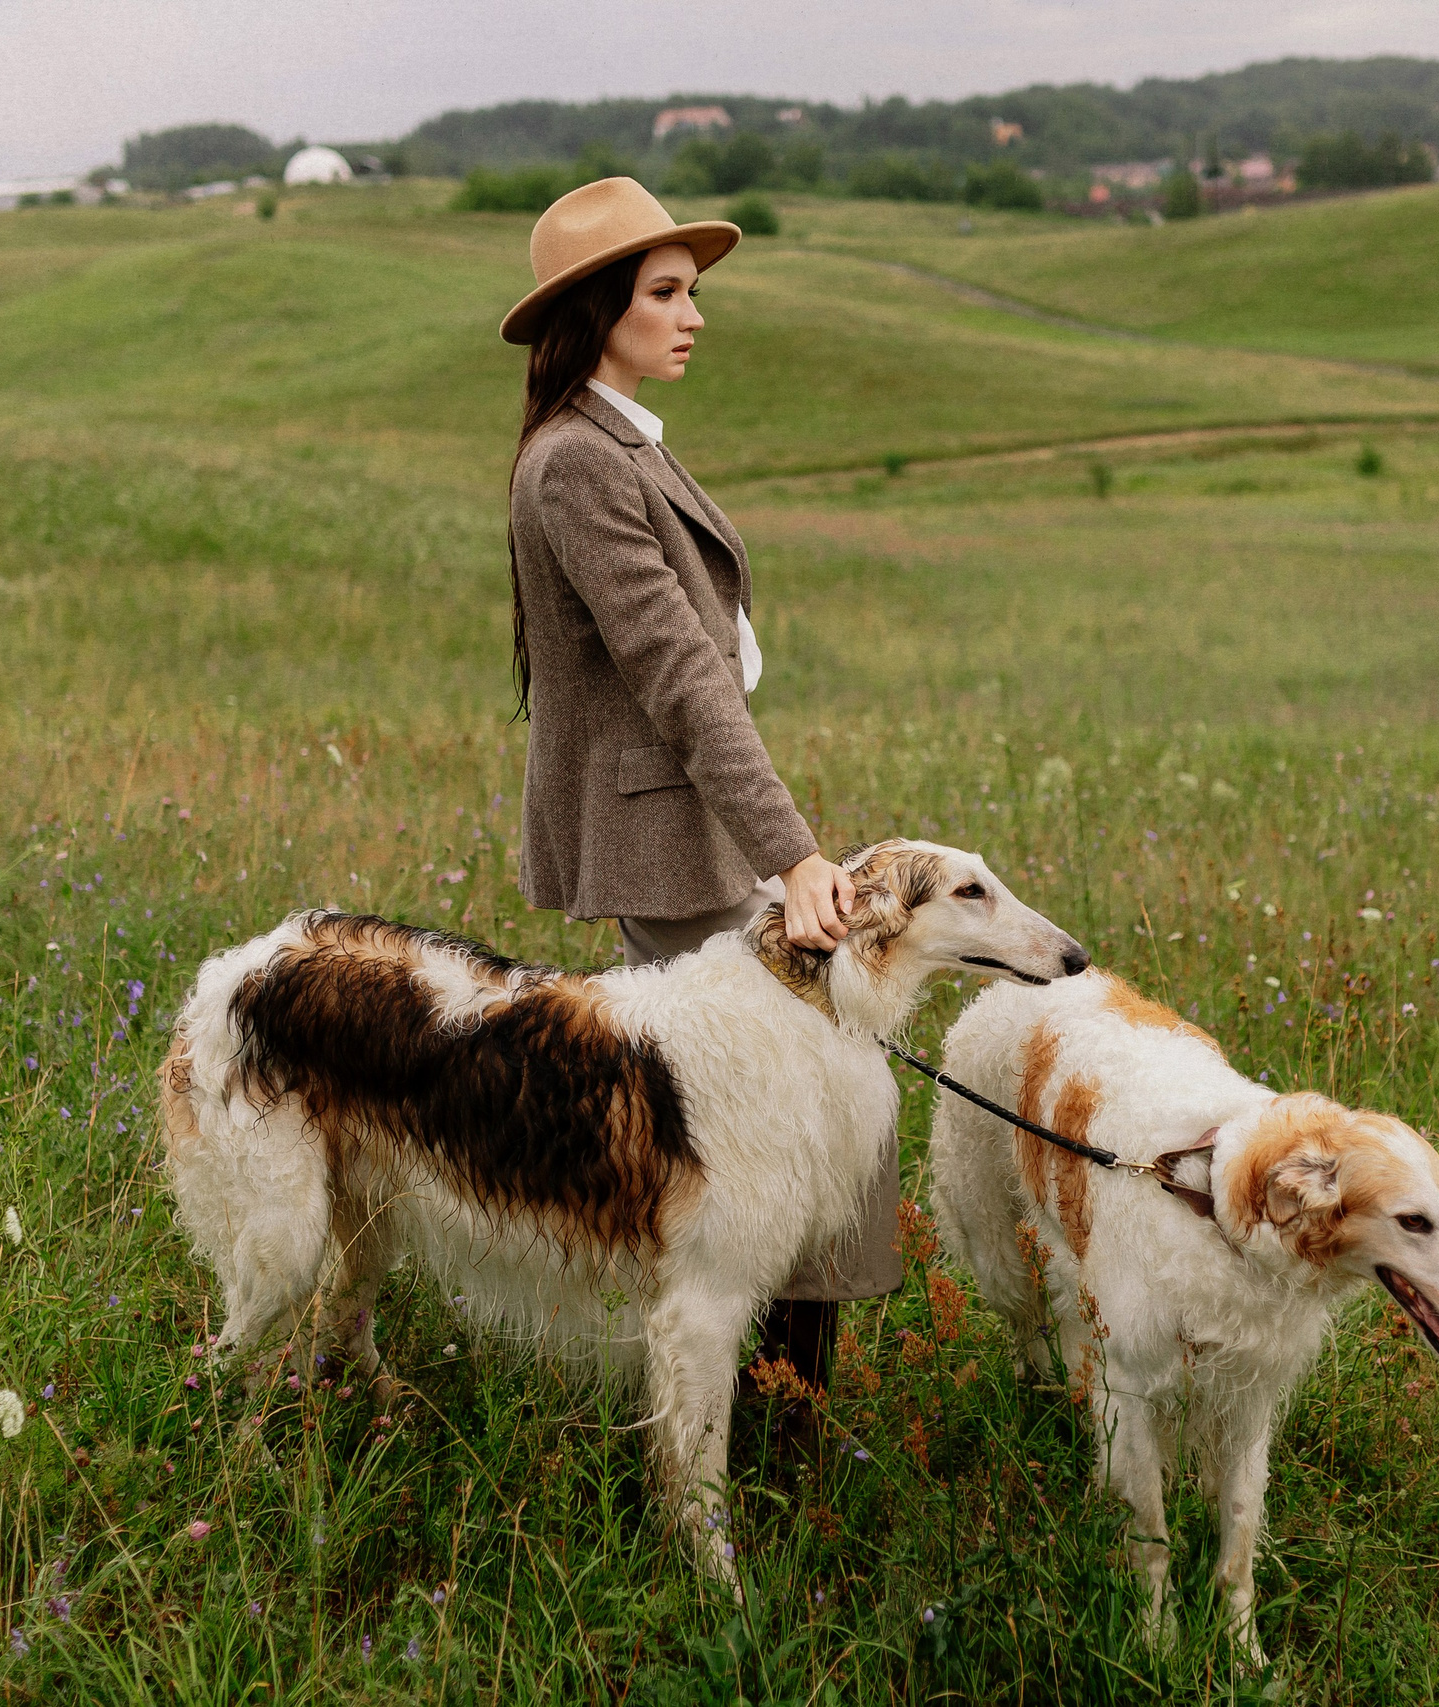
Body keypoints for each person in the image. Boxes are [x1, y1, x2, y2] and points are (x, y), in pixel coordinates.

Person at [498, 177, 899, 1415]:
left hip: (702, 826)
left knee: (805, 1119)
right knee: (754, 1148)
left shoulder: (619, 442)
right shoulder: (576, 461)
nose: (693, 316)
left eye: (691, 292)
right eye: (666, 293)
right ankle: (772, 1429)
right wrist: (793, 857)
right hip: (670, 845)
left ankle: (784, 1414)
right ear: (596, 308)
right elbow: (677, 672)